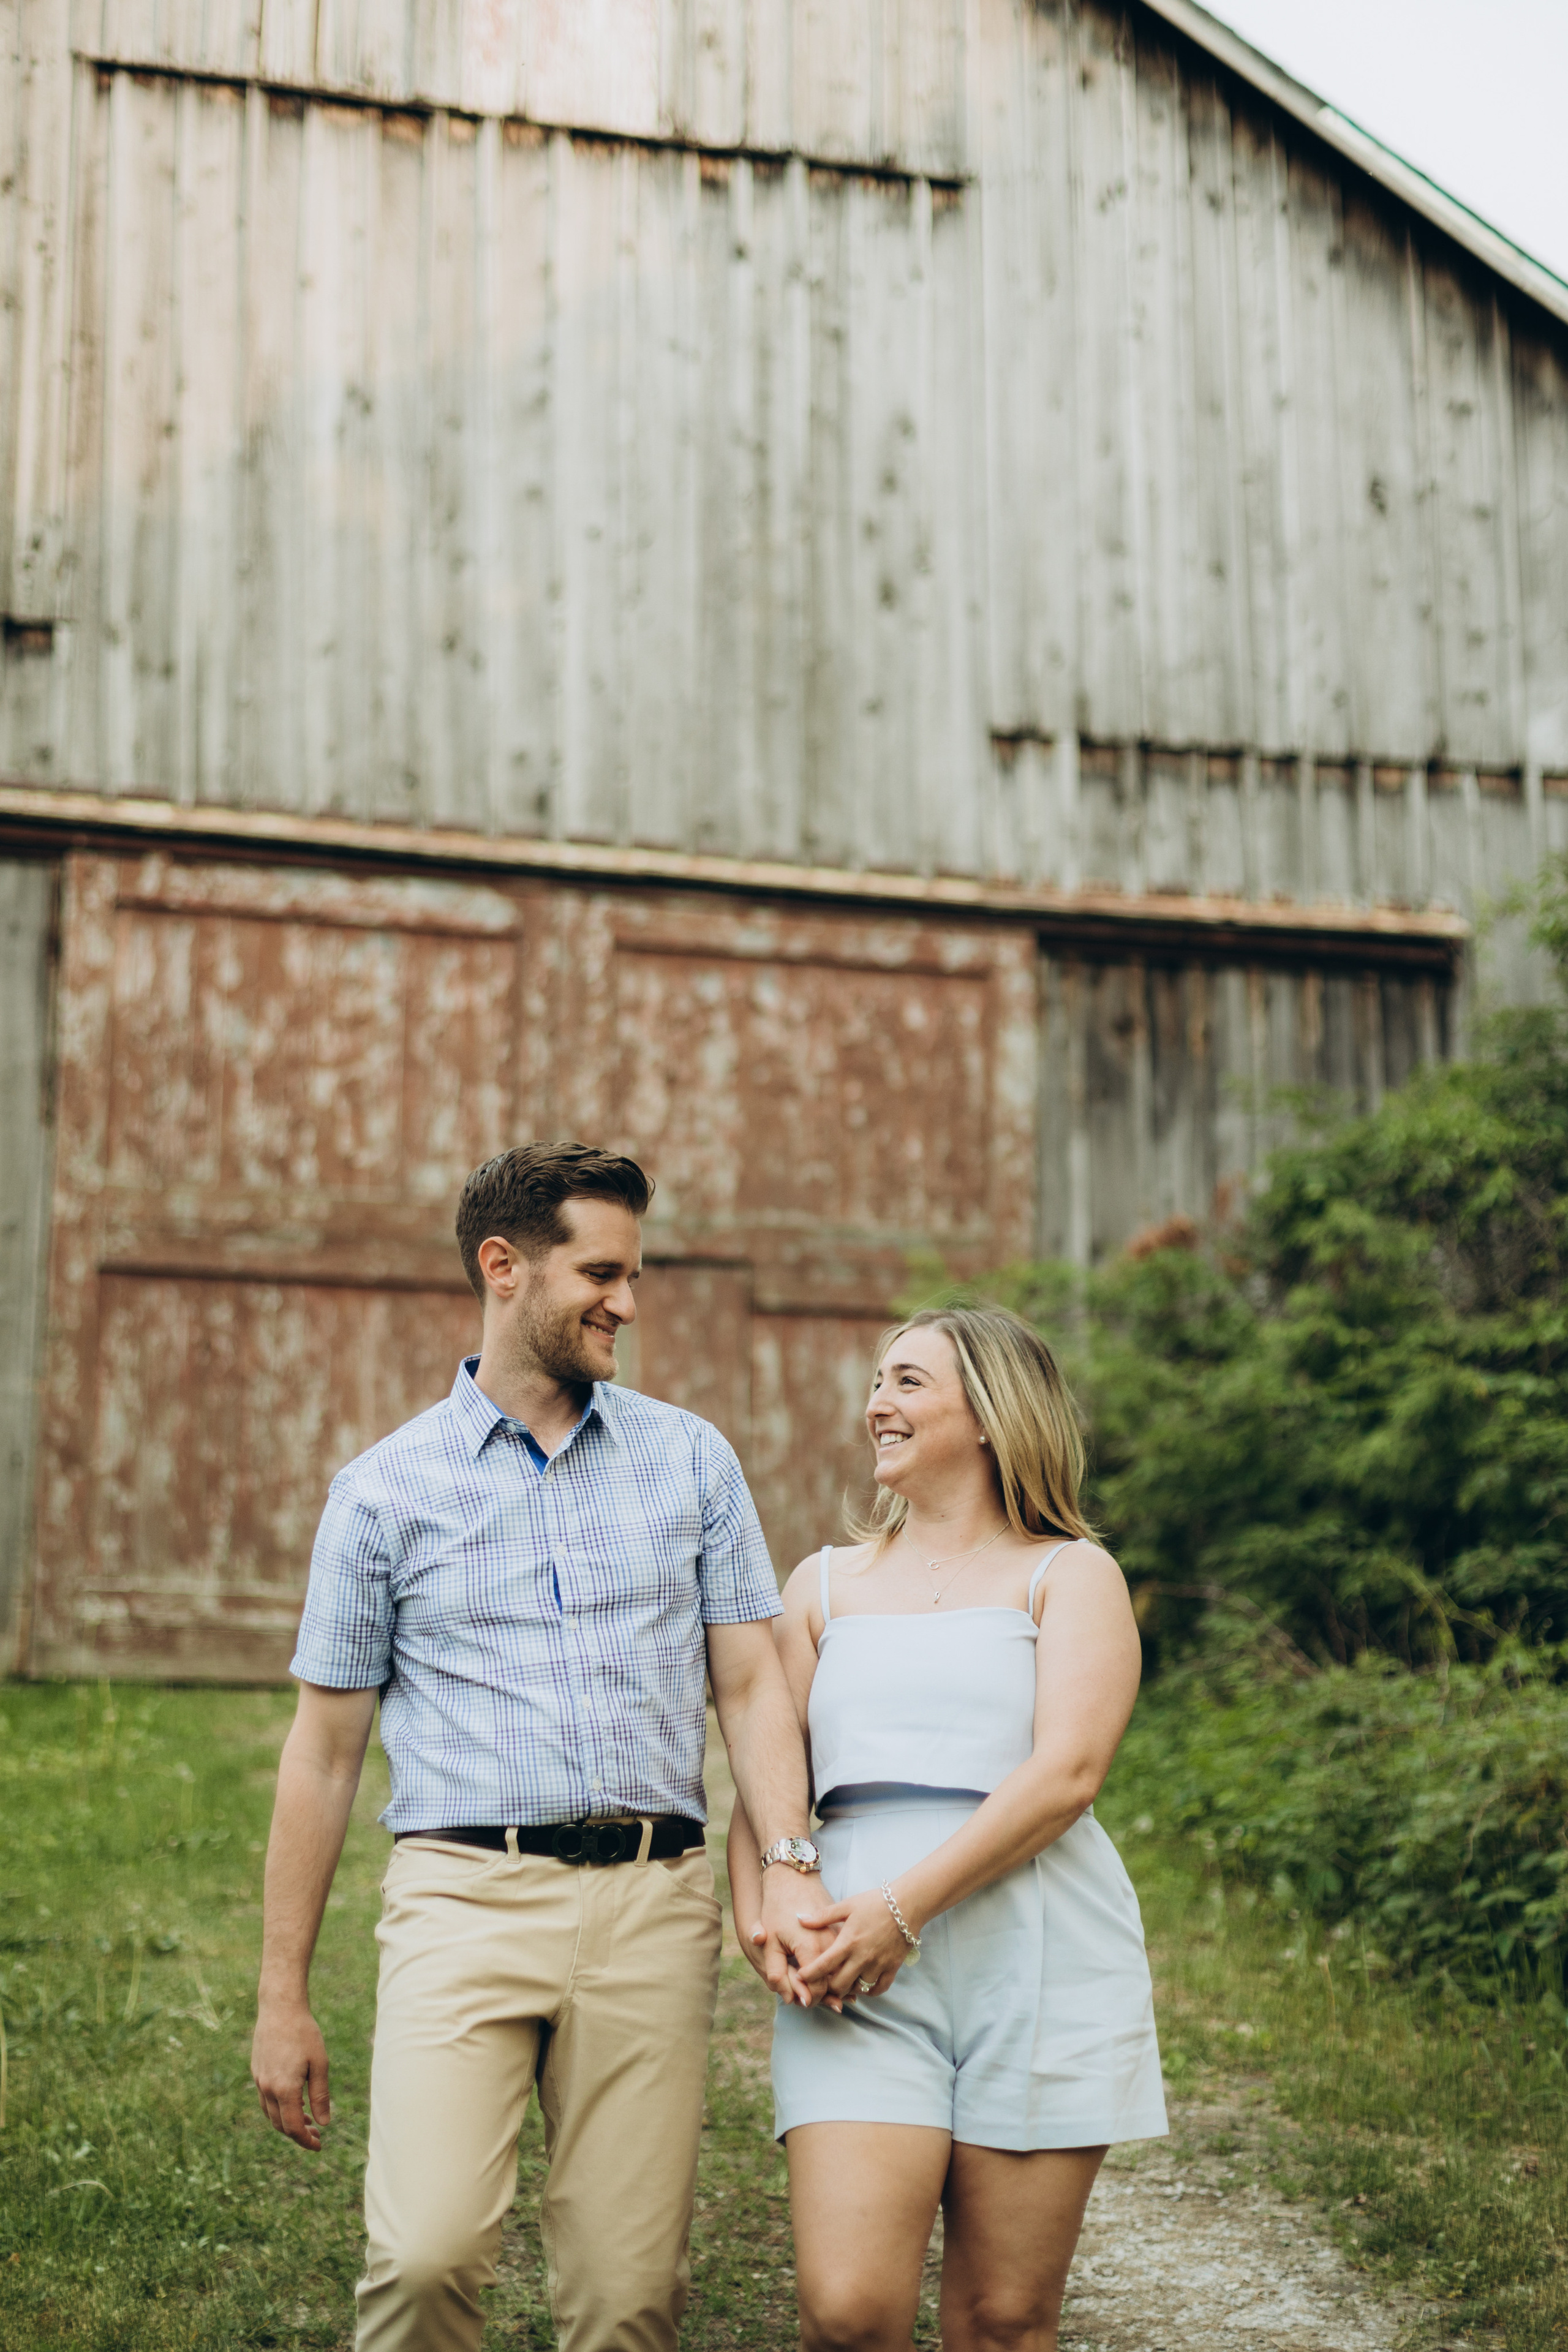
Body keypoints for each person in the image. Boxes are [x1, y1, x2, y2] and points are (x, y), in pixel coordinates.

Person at [251, 1140, 835, 2352]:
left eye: (634, 1273)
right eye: (602, 1273)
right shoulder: (383, 1493)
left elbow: (750, 1678)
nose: (627, 1302)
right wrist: (281, 1996)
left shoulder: (691, 1460)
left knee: (626, 2301)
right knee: (422, 2259)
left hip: (649, 1904)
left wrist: (786, 1857)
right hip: (461, 1897)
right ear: (503, 1266)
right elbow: (320, 1753)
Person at [728, 1304, 1167, 2352]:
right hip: (855, 1975)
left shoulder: (1072, 1574)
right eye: (877, 1382)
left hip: (1041, 1964)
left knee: (1005, 2319)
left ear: (990, 1413)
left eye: (909, 1382)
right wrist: (761, 1912)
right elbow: (767, 1770)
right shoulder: (821, 1586)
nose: (878, 1403)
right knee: (848, 2312)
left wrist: (903, 1908)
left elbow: (1067, 1774)